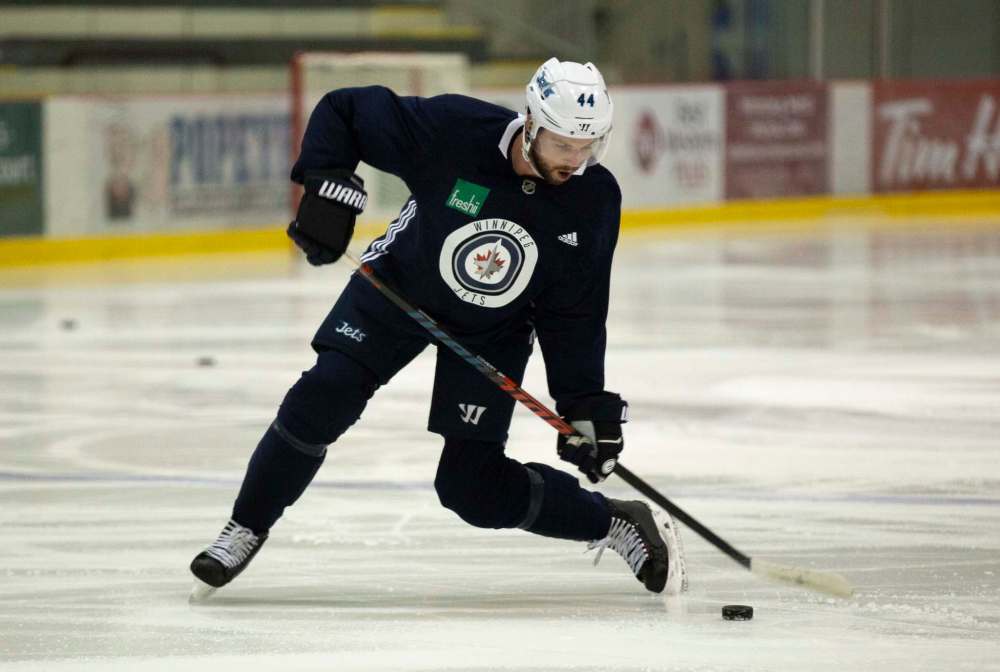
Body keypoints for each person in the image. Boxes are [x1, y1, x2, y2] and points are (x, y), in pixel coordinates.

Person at [190, 58, 688, 600]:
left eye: (587, 145)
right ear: (530, 123)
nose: (575, 159)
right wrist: (326, 185)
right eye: (562, 144)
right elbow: (345, 111)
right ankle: (246, 526)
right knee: (325, 392)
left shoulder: (594, 198)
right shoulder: (454, 131)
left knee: (470, 488)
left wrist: (583, 402)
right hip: (399, 290)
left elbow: (576, 310)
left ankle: (612, 521)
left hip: (493, 330)